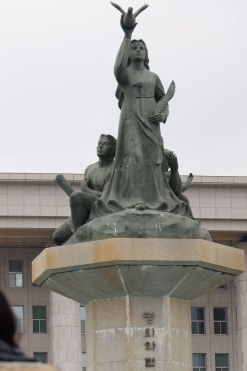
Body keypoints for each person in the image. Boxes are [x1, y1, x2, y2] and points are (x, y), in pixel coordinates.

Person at [91, 6, 187, 218]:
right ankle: (131, 200)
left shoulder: (153, 77)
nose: (137, 50)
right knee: (132, 157)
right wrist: (127, 34)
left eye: (141, 48)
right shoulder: (125, 75)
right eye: (134, 48)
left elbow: (164, 99)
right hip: (131, 119)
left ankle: (154, 200)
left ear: (146, 54)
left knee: (153, 158)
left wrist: (163, 114)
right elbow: (116, 68)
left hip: (151, 121)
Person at [52, 134, 117, 245]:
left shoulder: (114, 169)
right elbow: (84, 197)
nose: (100, 147)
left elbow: (107, 197)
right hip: (87, 209)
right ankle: (79, 232)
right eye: (99, 144)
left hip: (103, 207)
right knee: (57, 237)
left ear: (113, 150)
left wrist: (86, 190)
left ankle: (80, 236)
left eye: (105, 144)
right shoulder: (90, 168)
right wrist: (85, 192)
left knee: (76, 196)